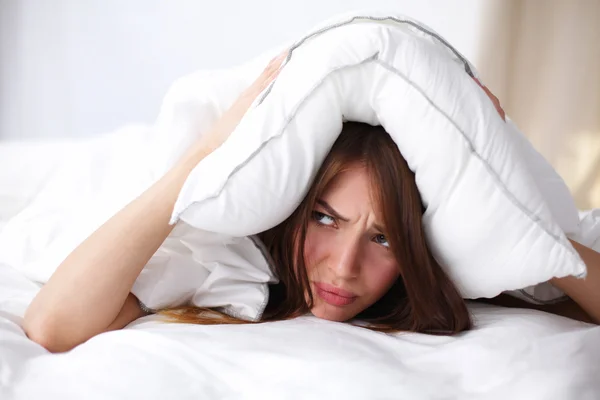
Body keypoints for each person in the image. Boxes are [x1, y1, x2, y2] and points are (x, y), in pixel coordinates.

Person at [22, 53, 600, 353]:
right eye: (326, 218)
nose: (344, 268)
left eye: (383, 239)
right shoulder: (226, 255)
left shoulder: (456, 267)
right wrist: (205, 153)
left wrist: (506, 200)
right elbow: (52, 327)